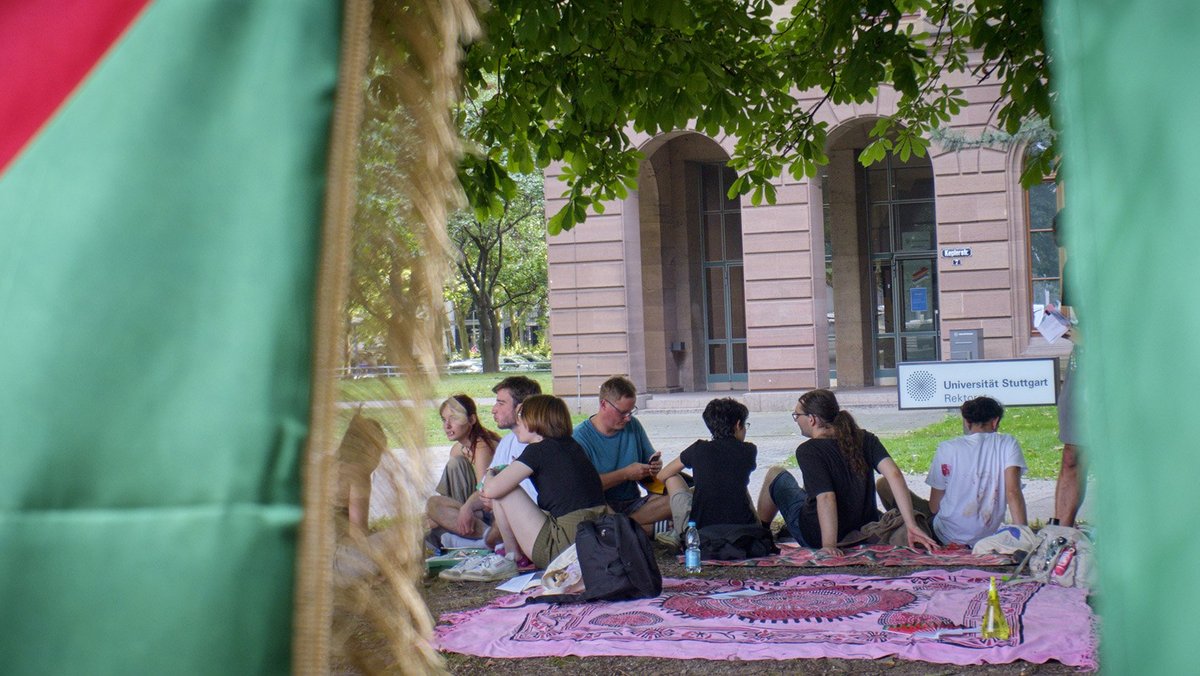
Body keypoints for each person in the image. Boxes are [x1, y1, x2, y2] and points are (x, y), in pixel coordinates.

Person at [756, 389, 937, 555]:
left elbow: (826, 497)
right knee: (807, 491)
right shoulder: (866, 438)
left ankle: (762, 536)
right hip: (861, 531)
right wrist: (911, 525)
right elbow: (894, 474)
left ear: (812, 419)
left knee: (775, 474)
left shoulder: (808, 450)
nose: (796, 420)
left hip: (818, 535)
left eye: (797, 415)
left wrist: (829, 545)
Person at [876, 396, 1028, 547]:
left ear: (967, 422)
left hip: (945, 535)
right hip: (988, 537)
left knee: (884, 485)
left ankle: (911, 529)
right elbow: (1013, 492)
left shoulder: (947, 448)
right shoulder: (1009, 444)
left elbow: (934, 506)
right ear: (995, 422)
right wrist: (1024, 538)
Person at [480, 395, 608, 573]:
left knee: (505, 490)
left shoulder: (538, 450)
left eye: (521, 417)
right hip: (590, 541)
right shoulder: (571, 445)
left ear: (535, 419)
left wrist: (491, 472)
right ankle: (512, 554)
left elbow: (491, 490)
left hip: (562, 549)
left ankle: (512, 557)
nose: (517, 422)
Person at [426, 376, 541, 548]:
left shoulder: (539, 442)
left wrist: (484, 502)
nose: (493, 410)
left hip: (525, 517)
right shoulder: (508, 442)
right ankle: (486, 540)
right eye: (444, 420)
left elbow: (508, 496)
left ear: (521, 408)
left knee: (433, 528)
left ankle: (485, 542)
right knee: (433, 504)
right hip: (495, 511)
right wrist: (467, 507)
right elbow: (484, 489)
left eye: (501, 403)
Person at [573, 376, 670, 532]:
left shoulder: (633, 426)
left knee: (677, 497)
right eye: (622, 412)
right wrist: (625, 474)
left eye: (631, 412)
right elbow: (585, 487)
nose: (628, 418)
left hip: (633, 503)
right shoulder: (579, 437)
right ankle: (640, 528)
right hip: (602, 506)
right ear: (603, 404)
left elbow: (649, 479)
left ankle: (625, 527)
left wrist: (652, 468)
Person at [657, 397, 757, 534]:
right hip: (742, 529)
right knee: (738, 483)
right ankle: (760, 527)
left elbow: (662, 475)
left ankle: (679, 533)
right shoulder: (749, 450)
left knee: (672, 478)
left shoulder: (698, 449)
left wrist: (696, 490)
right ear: (738, 424)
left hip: (701, 531)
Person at [1048, 210, 1086, 527]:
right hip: (1084, 363)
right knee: (1072, 453)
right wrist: (1060, 325)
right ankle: (1060, 532)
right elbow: (1074, 319)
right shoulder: (1074, 267)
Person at [424, 394, 498, 538]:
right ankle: (456, 526)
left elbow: (485, 493)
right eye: (444, 419)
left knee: (433, 513)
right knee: (431, 507)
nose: (447, 426)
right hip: (471, 508)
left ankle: (488, 537)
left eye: (454, 418)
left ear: (472, 420)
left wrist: (464, 509)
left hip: (491, 511)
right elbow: (448, 497)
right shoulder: (457, 449)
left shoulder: (482, 447)